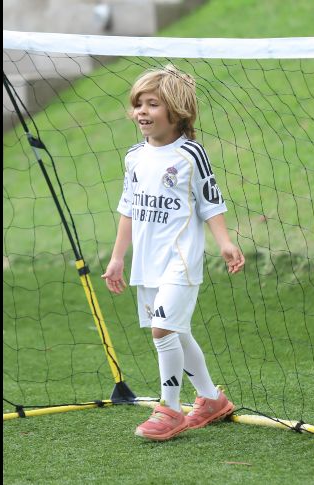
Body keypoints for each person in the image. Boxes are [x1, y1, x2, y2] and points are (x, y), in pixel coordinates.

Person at [101, 64, 245, 441]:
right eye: (137, 105)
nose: (141, 112)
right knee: (174, 332)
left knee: (162, 329)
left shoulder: (191, 154)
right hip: (146, 262)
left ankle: (169, 408)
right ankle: (212, 399)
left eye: (151, 104)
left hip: (180, 260)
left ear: (176, 112)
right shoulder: (134, 156)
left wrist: (225, 243)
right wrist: (118, 257)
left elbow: (210, 202)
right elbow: (128, 208)